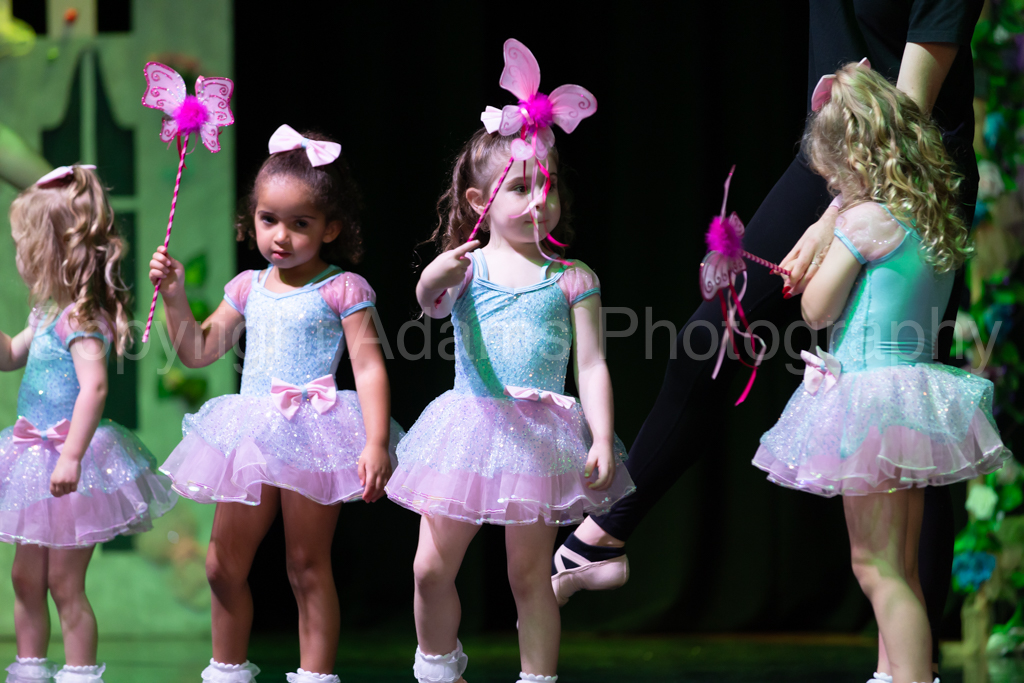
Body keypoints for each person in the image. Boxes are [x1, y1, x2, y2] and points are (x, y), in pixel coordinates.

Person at [552, 1, 984, 677]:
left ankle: (908, 669)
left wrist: (839, 214)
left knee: (899, 495)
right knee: (716, 345)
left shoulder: (868, 198)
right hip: (846, 152)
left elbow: (906, 114)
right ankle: (901, 670)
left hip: (901, 159)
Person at [754, 61, 1010, 683]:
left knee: (875, 568)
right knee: (902, 567)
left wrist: (810, 276)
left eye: (835, 177)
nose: (834, 189)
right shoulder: (928, 214)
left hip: (869, 399)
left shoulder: (863, 221)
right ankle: (893, 672)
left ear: (857, 160)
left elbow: (817, 310)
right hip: (912, 397)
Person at [150, 127, 402, 683]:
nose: (280, 236)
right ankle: (227, 669)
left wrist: (377, 441)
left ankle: (315, 675)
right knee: (221, 564)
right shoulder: (247, 287)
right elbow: (198, 350)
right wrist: (174, 296)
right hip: (254, 432)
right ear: (253, 217)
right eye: (269, 220)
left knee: (305, 565)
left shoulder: (342, 288)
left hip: (316, 431)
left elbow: (368, 367)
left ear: (330, 227)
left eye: (300, 223)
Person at [386, 129, 634, 683]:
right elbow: (430, 302)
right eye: (521, 188)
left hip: (539, 442)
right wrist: (435, 275)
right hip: (469, 431)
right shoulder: (465, 270)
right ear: (480, 201)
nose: (539, 200)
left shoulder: (573, 278)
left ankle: (537, 678)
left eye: (548, 185)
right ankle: (439, 670)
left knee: (529, 576)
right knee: (429, 568)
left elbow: (591, 363)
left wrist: (601, 436)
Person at [2, 165, 176, 683]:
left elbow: (94, 388)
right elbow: (10, 356)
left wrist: (72, 455)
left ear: (54, 252)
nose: (18, 257)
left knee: (64, 582)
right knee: (24, 577)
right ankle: (30, 667)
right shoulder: (44, 313)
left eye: (23, 246)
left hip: (71, 461)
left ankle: (79, 672)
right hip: (31, 458)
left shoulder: (80, 319)